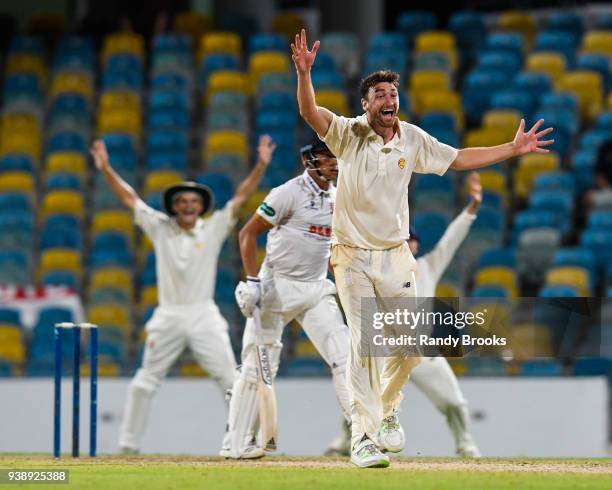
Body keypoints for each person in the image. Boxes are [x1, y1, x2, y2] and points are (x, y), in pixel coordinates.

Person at [290, 29, 554, 468]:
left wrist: (512, 148)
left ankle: (389, 412)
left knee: (411, 347)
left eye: (393, 93)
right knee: (364, 344)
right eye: (379, 94)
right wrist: (304, 74)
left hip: (395, 255)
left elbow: (459, 159)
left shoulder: (411, 138)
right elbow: (308, 110)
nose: (388, 100)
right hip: (351, 254)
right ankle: (362, 438)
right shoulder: (347, 134)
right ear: (366, 104)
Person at [89, 135, 276, 453]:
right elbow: (130, 199)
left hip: (203, 314)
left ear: (201, 207)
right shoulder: (161, 227)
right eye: (181, 202)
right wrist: (106, 168)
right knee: (144, 382)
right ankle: (127, 446)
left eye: (193, 202)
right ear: (174, 207)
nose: (187, 206)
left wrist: (260, 165)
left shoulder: (213, 227)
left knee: (233, 382)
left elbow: (241, 197)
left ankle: (243, 441)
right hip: (168, 315)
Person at [327, 172, 483, 458]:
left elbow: (451, 240)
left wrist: (471, 209)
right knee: (363, 392)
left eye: (411, 240)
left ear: (417, 246)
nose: (408, 244)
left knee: (453, 401)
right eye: (403, 239)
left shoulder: (427, 266)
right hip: (384, 347)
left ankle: (465, 445)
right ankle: (344, 440)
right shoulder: (376, 267)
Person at [223, 138, 351, 459]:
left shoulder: (339, 196)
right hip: (277, 287)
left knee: (346, 357)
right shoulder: (287, 193)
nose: (335, 163)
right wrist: (253, 281)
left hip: (316, 288)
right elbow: (247, 233)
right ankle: (236, 443)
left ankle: (363, 433)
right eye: (327, 157)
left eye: (337, 157)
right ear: (311, 161)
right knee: (257, 369)